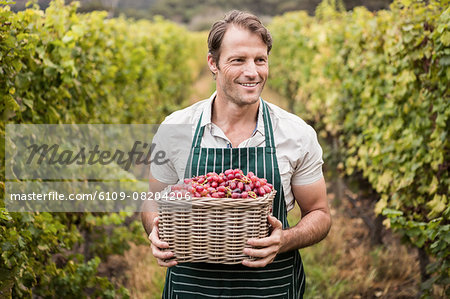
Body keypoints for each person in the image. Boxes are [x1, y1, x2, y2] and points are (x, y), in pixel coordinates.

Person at [141, 10, 331, 298]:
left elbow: (319, 213)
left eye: (260, 60)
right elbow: (153, 200)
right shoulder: (175, 129)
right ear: (213, 63)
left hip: (271, 289)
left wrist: (286, 240)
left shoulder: (296, 134)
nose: (252, 72)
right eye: (238, 60)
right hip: (192, 290)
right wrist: (155, 231)